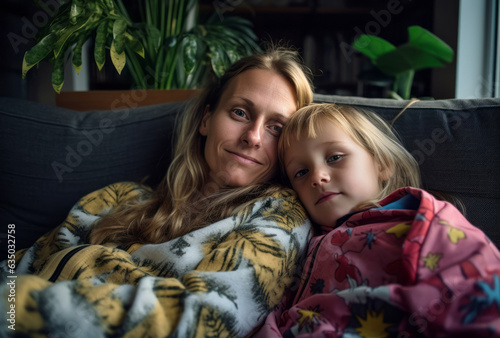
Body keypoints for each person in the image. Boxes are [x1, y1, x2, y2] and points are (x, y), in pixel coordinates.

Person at [0, 46, 315, 337]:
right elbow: (20, 267)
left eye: (277, 127)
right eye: (240, 113)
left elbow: (205, 319)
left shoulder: (279, 217)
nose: (254, 137)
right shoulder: (119, 197)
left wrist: (18, 312)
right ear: (206, 119)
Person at [257, 103, 500, 337]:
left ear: (382, 165)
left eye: (335, 157)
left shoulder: (419, 215)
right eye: (301, 172)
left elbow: (478, 277)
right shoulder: (303, 241)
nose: (317, 177)